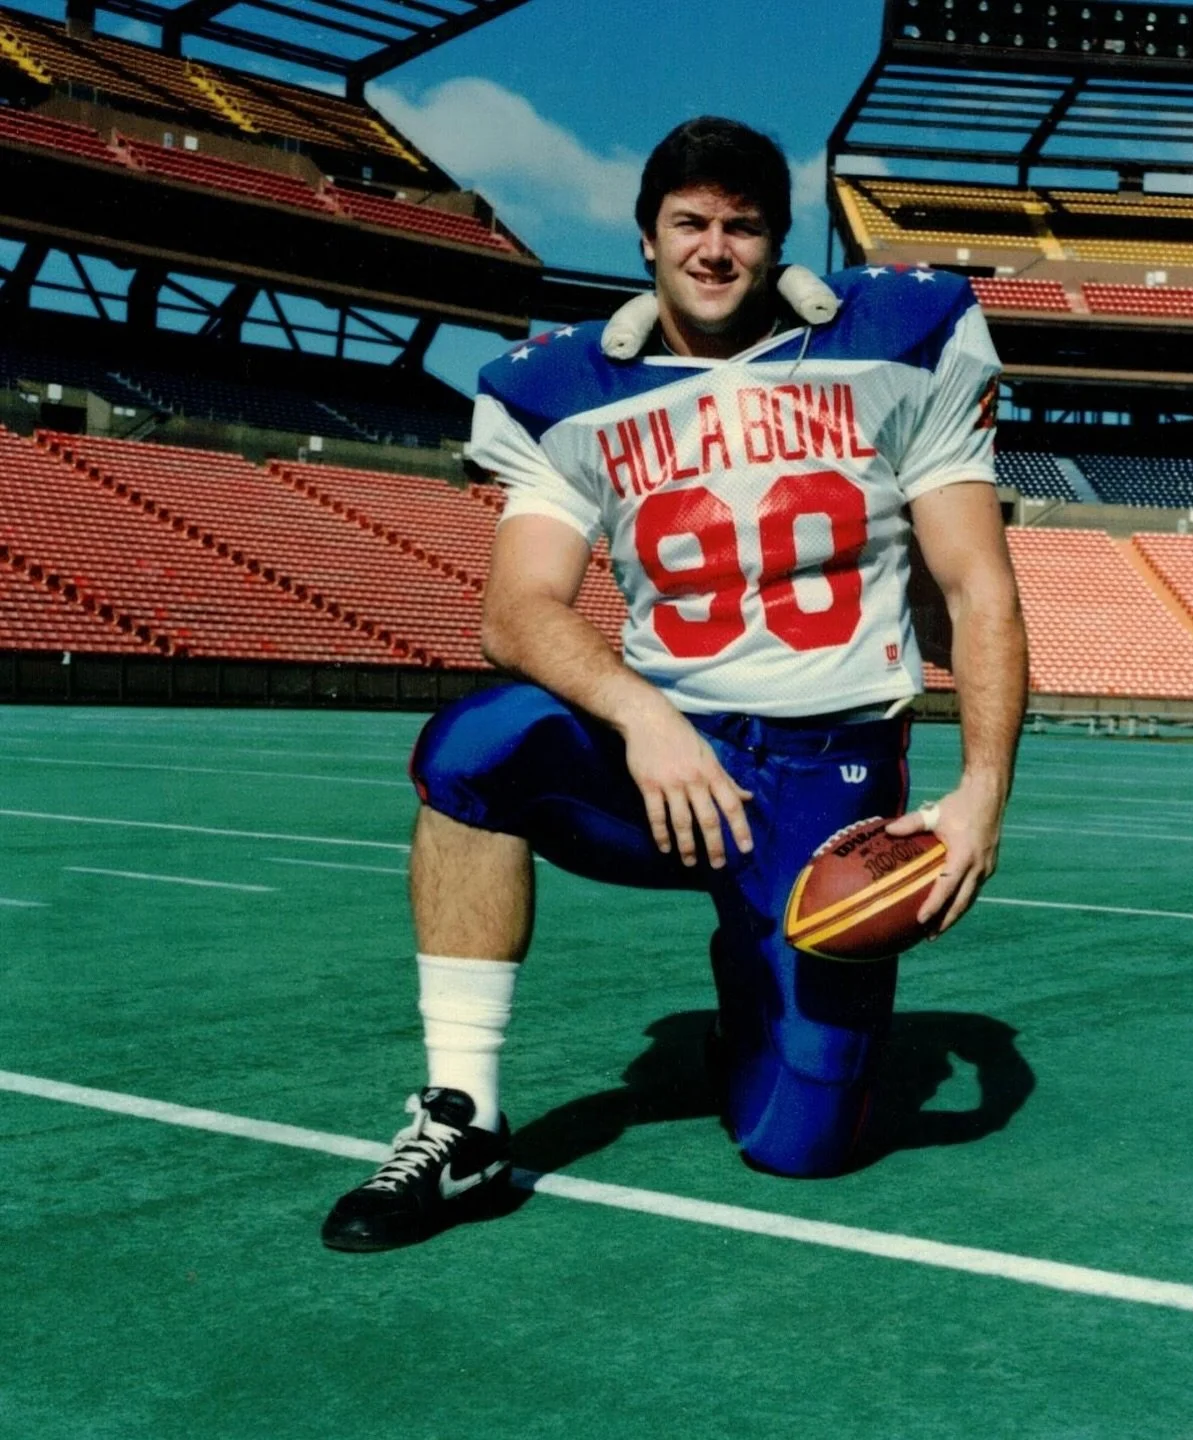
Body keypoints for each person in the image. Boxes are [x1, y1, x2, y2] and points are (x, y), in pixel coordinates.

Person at [321, 116, 1028, 1253]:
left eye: (742, 226)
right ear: (647, 237)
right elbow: (515, 610)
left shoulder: (900, 336)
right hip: (672, 763)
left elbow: (977, 584)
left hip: (828, 772)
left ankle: (753, 983)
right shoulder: (566, 387)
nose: (714, 248)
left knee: (799, 1146)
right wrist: (644, 715)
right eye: (690, 222)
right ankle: (462, 1118)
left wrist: (983, 791)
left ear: (779, 243)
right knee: (473, 753)